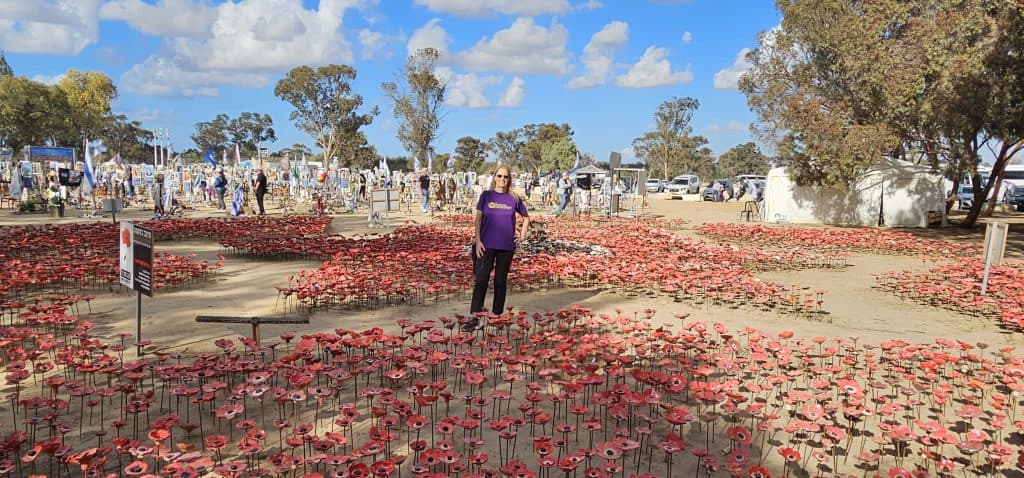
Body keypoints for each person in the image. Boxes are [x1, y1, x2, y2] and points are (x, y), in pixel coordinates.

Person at [466, 165, 530, 331]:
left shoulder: (513, 198)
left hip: (506, 247)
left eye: (505, 177)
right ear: (494, 177)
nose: (502, 179)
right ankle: (475, 317)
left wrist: (522, 235)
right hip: (486, 245)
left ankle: (497, 316)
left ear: (509, 179)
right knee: (481, 280)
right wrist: (478, 241)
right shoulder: (486, 196)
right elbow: (478, 219)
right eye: (499, 176)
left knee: (500, 282)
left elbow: (526, 218)